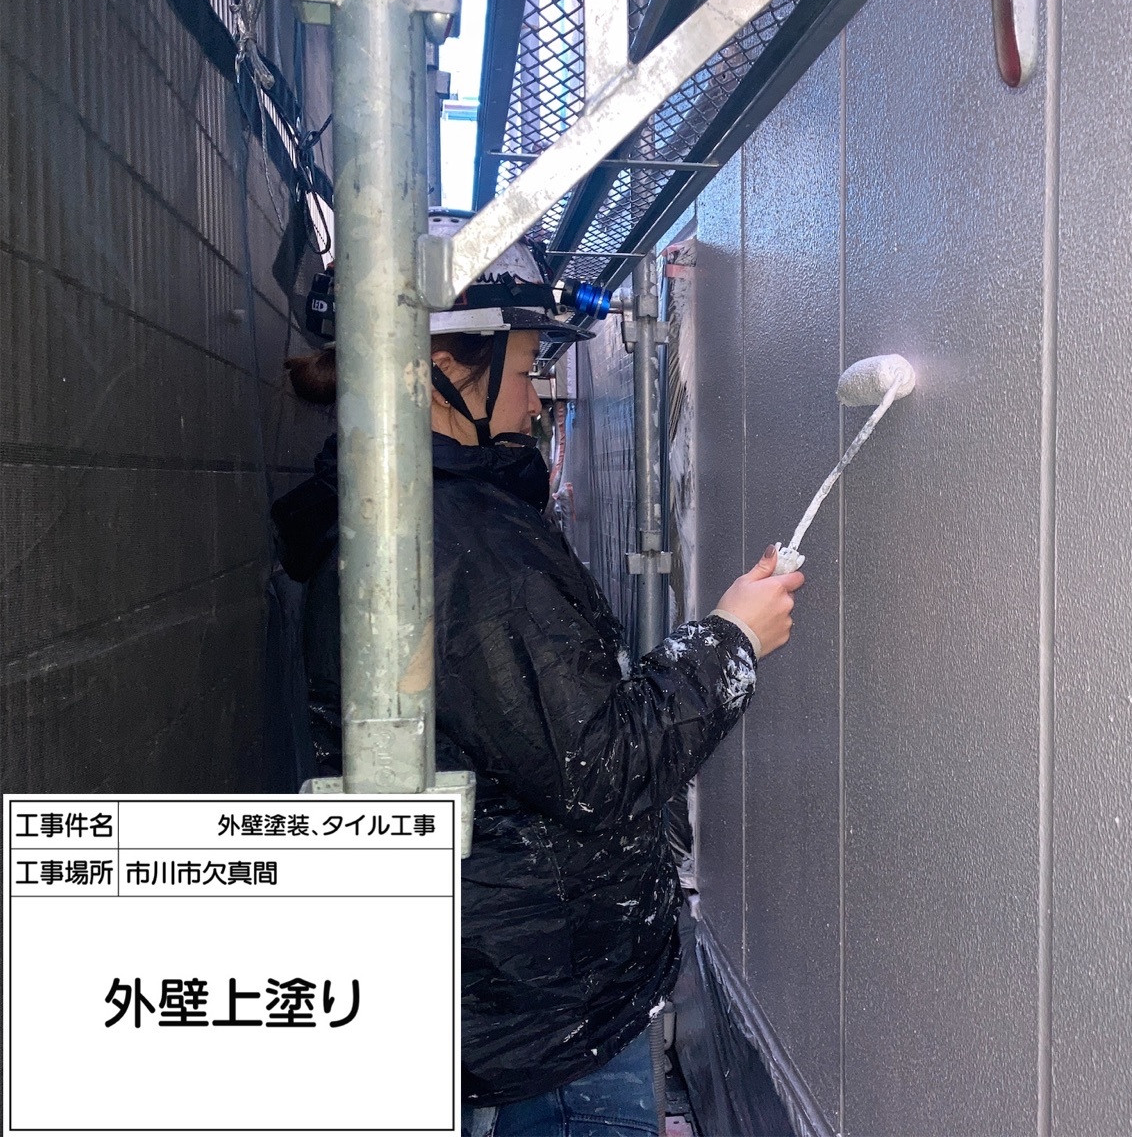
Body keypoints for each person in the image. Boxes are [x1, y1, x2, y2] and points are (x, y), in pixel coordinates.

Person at [272, 218, 803, 1135]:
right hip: (544, 1024)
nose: (534, 397)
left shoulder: (398, 518)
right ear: (439, 373)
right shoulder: (462, 548)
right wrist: (732, 640)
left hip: (493, 994)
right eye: (522, 371)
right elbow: (600, 767)